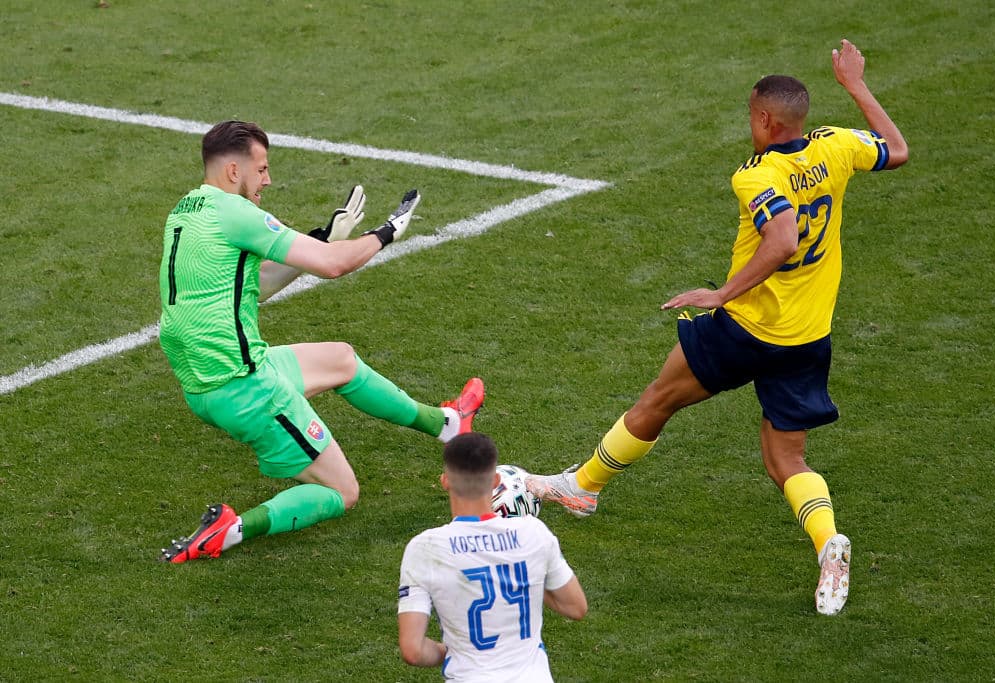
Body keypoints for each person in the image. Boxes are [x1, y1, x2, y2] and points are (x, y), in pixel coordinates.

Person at [526, 39, 908, 616]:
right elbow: (897, 150)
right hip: (807, 338)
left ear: (764, 119)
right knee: (788, 460)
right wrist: (855, 85)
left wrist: (722, 293)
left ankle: (583, 488)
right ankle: (829, 543)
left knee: (659, 399)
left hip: (745, 329)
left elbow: (782, 239)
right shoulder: (836, 145)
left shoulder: (757, 175)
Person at [157, 120, 485, 563]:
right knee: (342, 491)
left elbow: (256, 287)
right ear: (234, 171)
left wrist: (324, 238)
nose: (267, 180)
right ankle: (230, 530)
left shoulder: (186, 211)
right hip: (245, 387)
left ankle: (447, 424)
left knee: (341, 359)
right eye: (262, 169)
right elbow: (333, 267)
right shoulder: (237, 213)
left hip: (213, 378)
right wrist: (386, 233)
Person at [397, 433, 587, 681]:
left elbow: (413, 651)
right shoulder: (533, 534)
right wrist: (526, 570)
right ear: (496, 480)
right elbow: (576, 607)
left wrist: (451, 652)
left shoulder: (425, 548)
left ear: (445, 481)